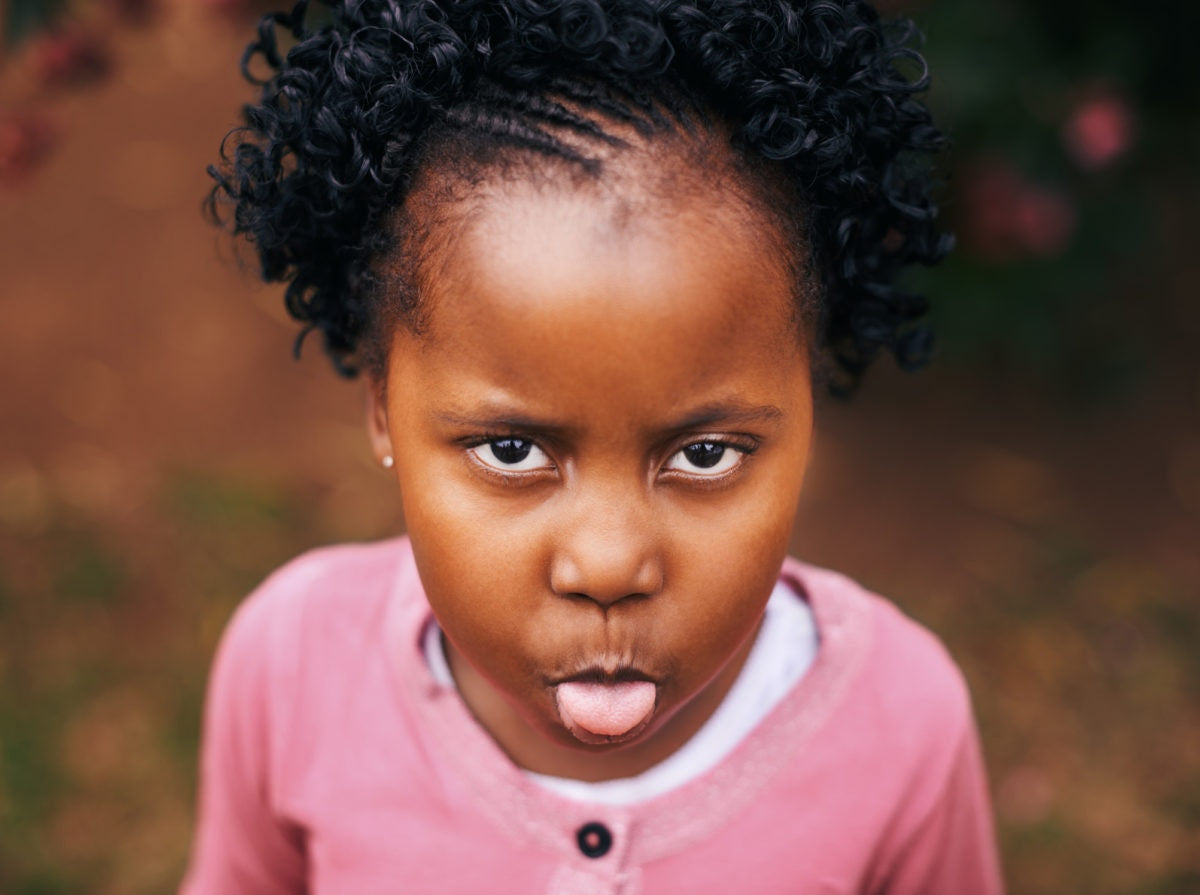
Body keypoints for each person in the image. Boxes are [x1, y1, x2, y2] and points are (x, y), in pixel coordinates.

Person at [180, 1, 1004, 892]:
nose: (608, 564)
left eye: (704, 454)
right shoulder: (292, 664)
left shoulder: (901, 723)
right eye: (508, 450)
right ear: (382, 407)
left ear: (807, 410)